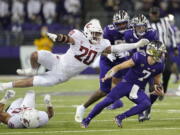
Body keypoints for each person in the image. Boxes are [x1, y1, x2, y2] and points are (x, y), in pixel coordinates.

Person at [0, 19, 149, 92]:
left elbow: (118, 48)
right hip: (58, 60)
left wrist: (136, 45)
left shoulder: (102, 44)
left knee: (34, 82)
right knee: (34, 55)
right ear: (87, 32)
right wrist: (58, 37)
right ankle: (33, 69)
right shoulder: (78, 36)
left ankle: (5, 85)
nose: (98, 36)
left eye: (99, 33)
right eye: (95, 33)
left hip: (62, 75)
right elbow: (67, 39)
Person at [81, 41, 166, 128]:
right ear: (153, 52)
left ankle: (120, 117)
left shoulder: (160, 65)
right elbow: (118, 67)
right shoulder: (139, 57)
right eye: (160, 52)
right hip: (126, 84)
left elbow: (156, 82)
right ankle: (87, 119)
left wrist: (160, 91)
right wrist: (108, 74)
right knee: (107, 101)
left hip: (136, 89)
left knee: (146, 103)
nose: (162, 54)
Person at [75, 10, 131, 123]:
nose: (121, 26)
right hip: (108, 61)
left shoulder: (132, 30)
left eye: (123, 23)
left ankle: (140, 107)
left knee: (127, 85)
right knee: (103, 90)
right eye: (118, 24)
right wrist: (108, 54)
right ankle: (82, 107)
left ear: (128, 22)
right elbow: (98, 48)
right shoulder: (108, 31)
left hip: (123, 61)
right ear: (114, 24)